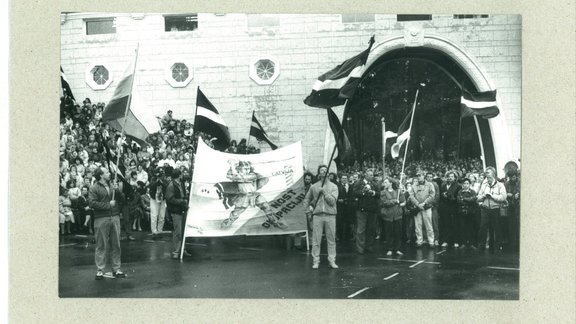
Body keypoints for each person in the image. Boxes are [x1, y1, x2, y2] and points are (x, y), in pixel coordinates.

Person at [88, 167, 126, 280]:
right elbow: (92, 203)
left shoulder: (112, 185)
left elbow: (122, 200)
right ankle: (100, 270)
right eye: (107, 172)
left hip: (114, 217)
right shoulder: (93, 188)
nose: (109, 174)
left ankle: (117, 269)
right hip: (101, 218)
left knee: (116, 245)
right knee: (101, 245)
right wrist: (108, 205)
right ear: (101, 175)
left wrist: (117, 190)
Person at [303, 165, 339, 269]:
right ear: (319, 174)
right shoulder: (314, 186)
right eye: (321, 170)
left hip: (330, 215)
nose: (323, 172)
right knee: (316, 239)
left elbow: (332, 201)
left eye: (325, 170)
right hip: (317, 216)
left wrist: (324, 192)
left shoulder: (334, 186)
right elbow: (307, 199)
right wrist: (308, 211)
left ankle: (332, 260)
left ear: (328, 173)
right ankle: (316, 261)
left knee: (331, 239)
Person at [476, 167, 507, 253]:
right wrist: (483, 197)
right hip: (485, 209)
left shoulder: (500, 185)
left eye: (488, 173)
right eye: (486, 173)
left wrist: (492, 196)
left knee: (497, 228)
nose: (486, 174)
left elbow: (503, 197)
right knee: (482, 228)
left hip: (495, 209)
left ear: (493, 174)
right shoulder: (484, 185)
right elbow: (478, 197)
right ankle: (481, 246)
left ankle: (497, 246)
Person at [165, 168, 192, 259]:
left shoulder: (180, 184)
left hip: (182, 210)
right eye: (181, 174)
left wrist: (185, 198)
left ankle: (182, 249)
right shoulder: (171, 186)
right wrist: (181, 201)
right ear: (178, 175)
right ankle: (176, 251)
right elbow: (170, 199)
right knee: (178, 232)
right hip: (176, 211)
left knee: (183, 231)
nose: (182, 176)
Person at [353, 169, 380, 254]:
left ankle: (369, 246)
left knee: (371, 229)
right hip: (362, 210)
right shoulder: (359, 183)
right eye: (370, 175)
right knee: (361, 229)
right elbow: (354, 192)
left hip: (372, 210)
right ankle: (360, 248)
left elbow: (379, 194)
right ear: (366, 175)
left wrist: (373, 193)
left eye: (372, 175)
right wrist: (363, 192)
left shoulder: (374, 184)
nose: (372, 177)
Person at [409, 171, 436, 247]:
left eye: (420, 175)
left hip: (426, 207)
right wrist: (417, 204)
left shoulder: (430, 184)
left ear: (424, 176)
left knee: (429, 225)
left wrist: (424, 203)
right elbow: (411, 196)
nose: (418, 177)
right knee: (418, 225)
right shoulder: (414, 185)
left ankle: (431, 241)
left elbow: (432, 195)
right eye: (417, 175)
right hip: (417, 208)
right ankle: (419, 241)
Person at [380, 177, 406, 256]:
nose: (384, 184)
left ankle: (397, 249)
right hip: (388, 215)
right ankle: (390, 249)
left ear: (391, 183)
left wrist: (401, 204)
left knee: (398, 232)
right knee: (389, 233)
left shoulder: (398, 191)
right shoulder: (383, 192)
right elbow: (384, 203)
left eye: (386, 182)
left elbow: (403, 201)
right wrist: (394, 201)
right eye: (384, 182)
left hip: (397, 215)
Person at [439, 171, 461, 248]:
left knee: (455, 224)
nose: (450, 178)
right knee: (446, 224)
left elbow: (458, 198)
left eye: (452, 176)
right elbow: (440, 196)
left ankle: (456, 241)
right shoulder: (443, 185)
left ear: (455, 178)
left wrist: (449, 196)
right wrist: (444, 196)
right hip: (445, 207)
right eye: (448, 176)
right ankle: (446, 240)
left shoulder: (458, 186)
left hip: (454, 207)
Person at [456, 178, 477, 248]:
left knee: (471, 227)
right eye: (464, 183)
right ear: (462, 184)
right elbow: (459, 201)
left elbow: (473, 199)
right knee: (462, 227)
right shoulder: (459, 192)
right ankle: (463, 243)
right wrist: (468, 200)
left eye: (467, 183)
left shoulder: (473, 192)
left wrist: (464, 199)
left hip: (471, 212)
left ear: (470, 184)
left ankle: (472, 243)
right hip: (462, 212)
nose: (466, 185)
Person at [504, 170, 520, 250]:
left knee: (519, 225)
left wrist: (517, 194)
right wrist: (508, 195)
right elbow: (504, 194)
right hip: (510, 207)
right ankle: (513, 244)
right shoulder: (506, 184)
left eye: (513, 177)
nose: (512, 179)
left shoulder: (519, 183)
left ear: (516, 176)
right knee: (511, 226)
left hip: (519, 207)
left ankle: (519, 243)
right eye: (510, 177)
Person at [149, 169, 167, 238]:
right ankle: (154, 231)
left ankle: (160, 231)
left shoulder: (164, 180)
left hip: (162, 199)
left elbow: (167, 186)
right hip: (154, 199)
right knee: (154, 215)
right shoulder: (153, 179)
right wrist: (157, 182)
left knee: (162, 216)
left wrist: (161, 182)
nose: (159, 175)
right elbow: (151, 186)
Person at [426, 172, 441, 246]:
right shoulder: (424, 185)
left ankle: (436, 239)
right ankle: (428, 238)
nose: (429, 178)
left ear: (432, 178)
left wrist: (432, 204)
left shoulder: (435, 185)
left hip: (433, 206)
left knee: (435, 223)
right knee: (427, 223)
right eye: (428, 177)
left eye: (430, 177)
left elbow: (437, 195)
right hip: (426, 206)